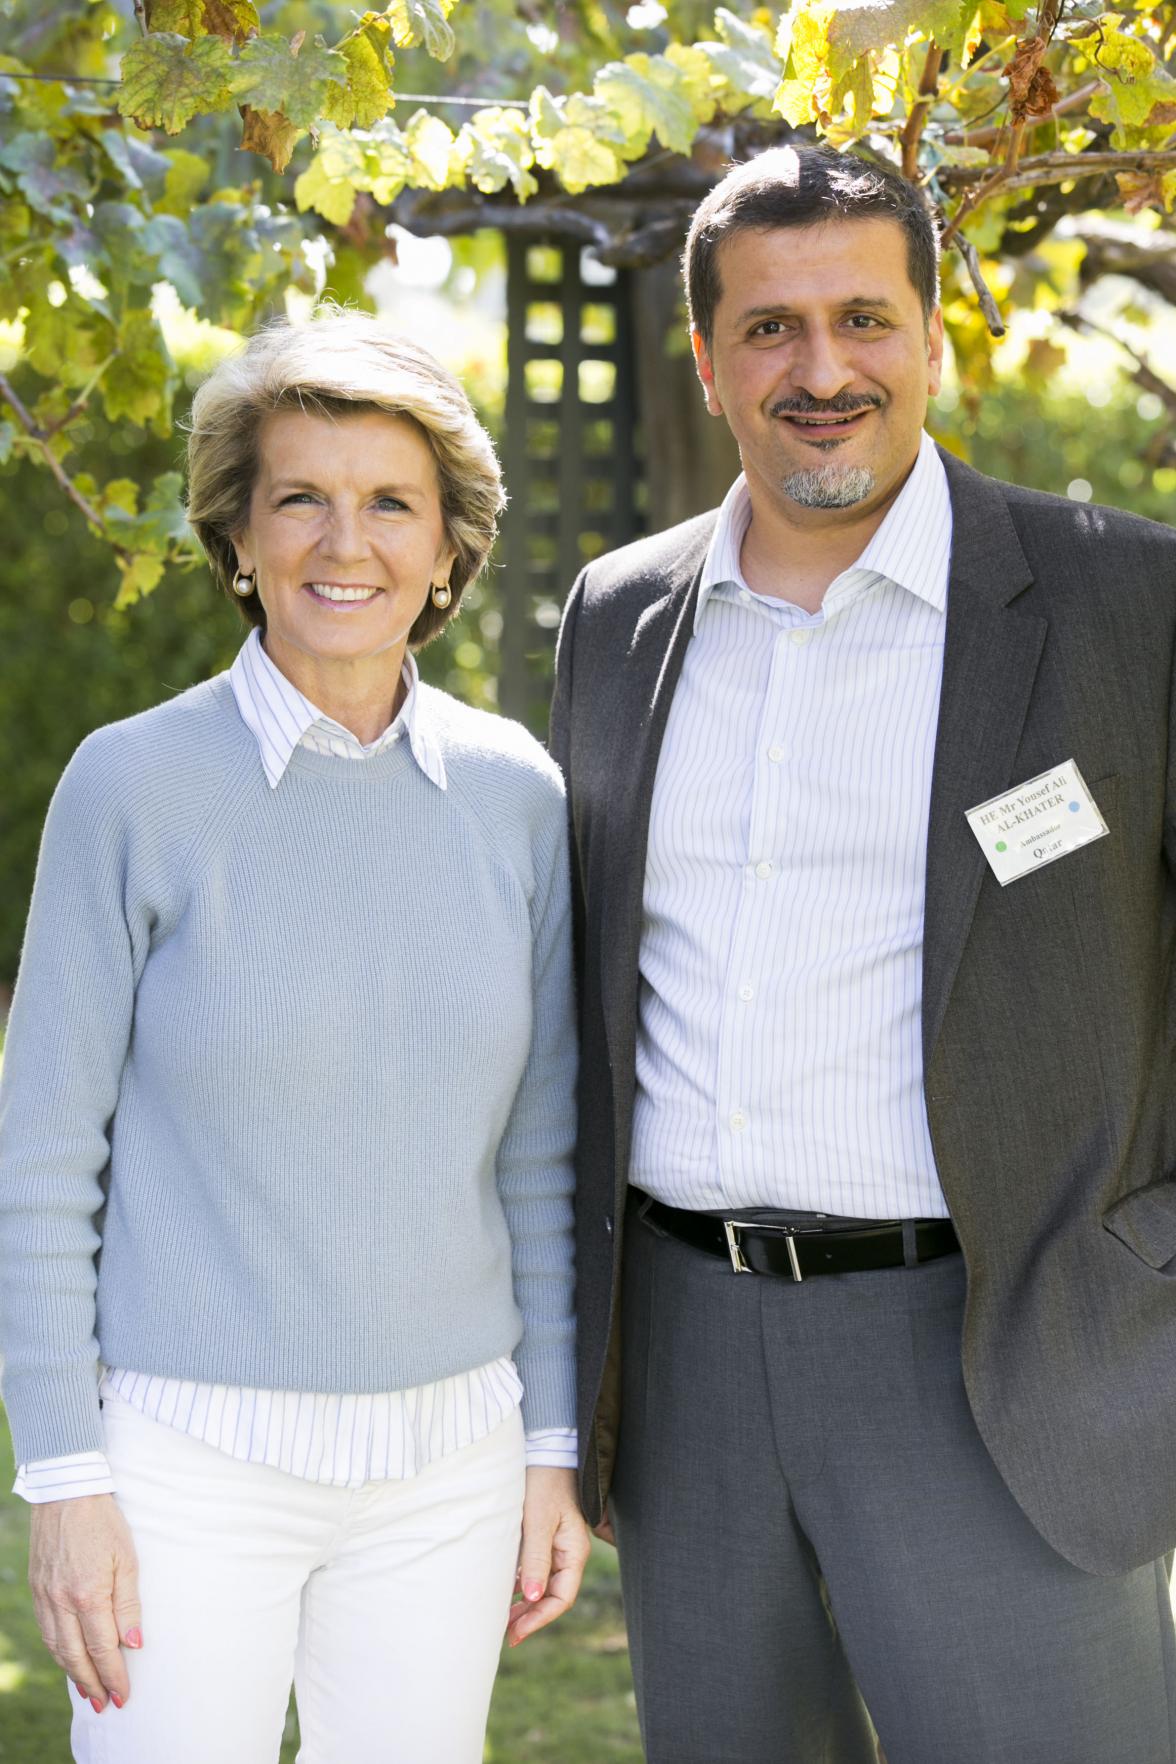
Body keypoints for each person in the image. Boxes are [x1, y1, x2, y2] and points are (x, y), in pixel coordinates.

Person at [549, 143, 1176, 1764]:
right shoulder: (618, 618)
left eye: (862, 318)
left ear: (932, 333)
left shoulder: (1125, 601)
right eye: (768, 328)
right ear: (706, 356)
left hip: (1006, 1350)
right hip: (686, 1352)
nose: (821, 371)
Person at [0, 307, 590, 1764]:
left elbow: (542, 1158)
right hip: (178, 1470)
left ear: (449, 547)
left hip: (449, 1470)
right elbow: (41, 1161)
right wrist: (62, 1476)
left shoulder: (518, 797)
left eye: (392, 502)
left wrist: (550, 1451)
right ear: (240, 537)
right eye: (300, 499)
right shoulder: (129, 787)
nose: (348, 542)